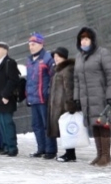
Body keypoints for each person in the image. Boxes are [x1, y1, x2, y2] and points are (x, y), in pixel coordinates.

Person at [74, 27, 111, 166]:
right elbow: (77, 79)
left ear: (92, 40)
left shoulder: (102, 53)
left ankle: (106, 156)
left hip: (100, 96)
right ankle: (99, 154)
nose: (84, 41)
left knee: (104, 125)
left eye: (86, 38)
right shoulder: (79, 57)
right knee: (94, 125)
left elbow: (110, 74)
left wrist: (109, 95)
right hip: (87, 98)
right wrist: (77, 98)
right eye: (81, 39)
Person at [26, 33, 57, 159]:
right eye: (29, 44)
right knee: (36, 125)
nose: (31, 47)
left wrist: (49, 93)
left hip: (44, 98)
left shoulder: (48, 58)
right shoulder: (29, 60)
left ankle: (51, 149)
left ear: (41, 44)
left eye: (33, 44)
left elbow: (53, 77)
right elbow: (29, 80)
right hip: (33, 98)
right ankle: (41, 148)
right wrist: (27, 95)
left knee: (47, 125)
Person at [0, 42, 20, 157]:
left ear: (5, 51)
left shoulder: (9, 63)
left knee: (7, 123)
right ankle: (6, 146)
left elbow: (13, 80)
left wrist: (6, 95)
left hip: (6, 99)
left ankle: (12, 147)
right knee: (1, 124)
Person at [47, 47, 76, 162]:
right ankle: (68, 153)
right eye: (54, 57)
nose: (56, 59)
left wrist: (70, 105)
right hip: (58, 105)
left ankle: (70, 154)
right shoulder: (58, 70)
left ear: (64, 57)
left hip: (64, 106)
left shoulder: (68, 69)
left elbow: (69, 88)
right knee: (64, 130)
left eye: (58, 56)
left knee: (67, 130)